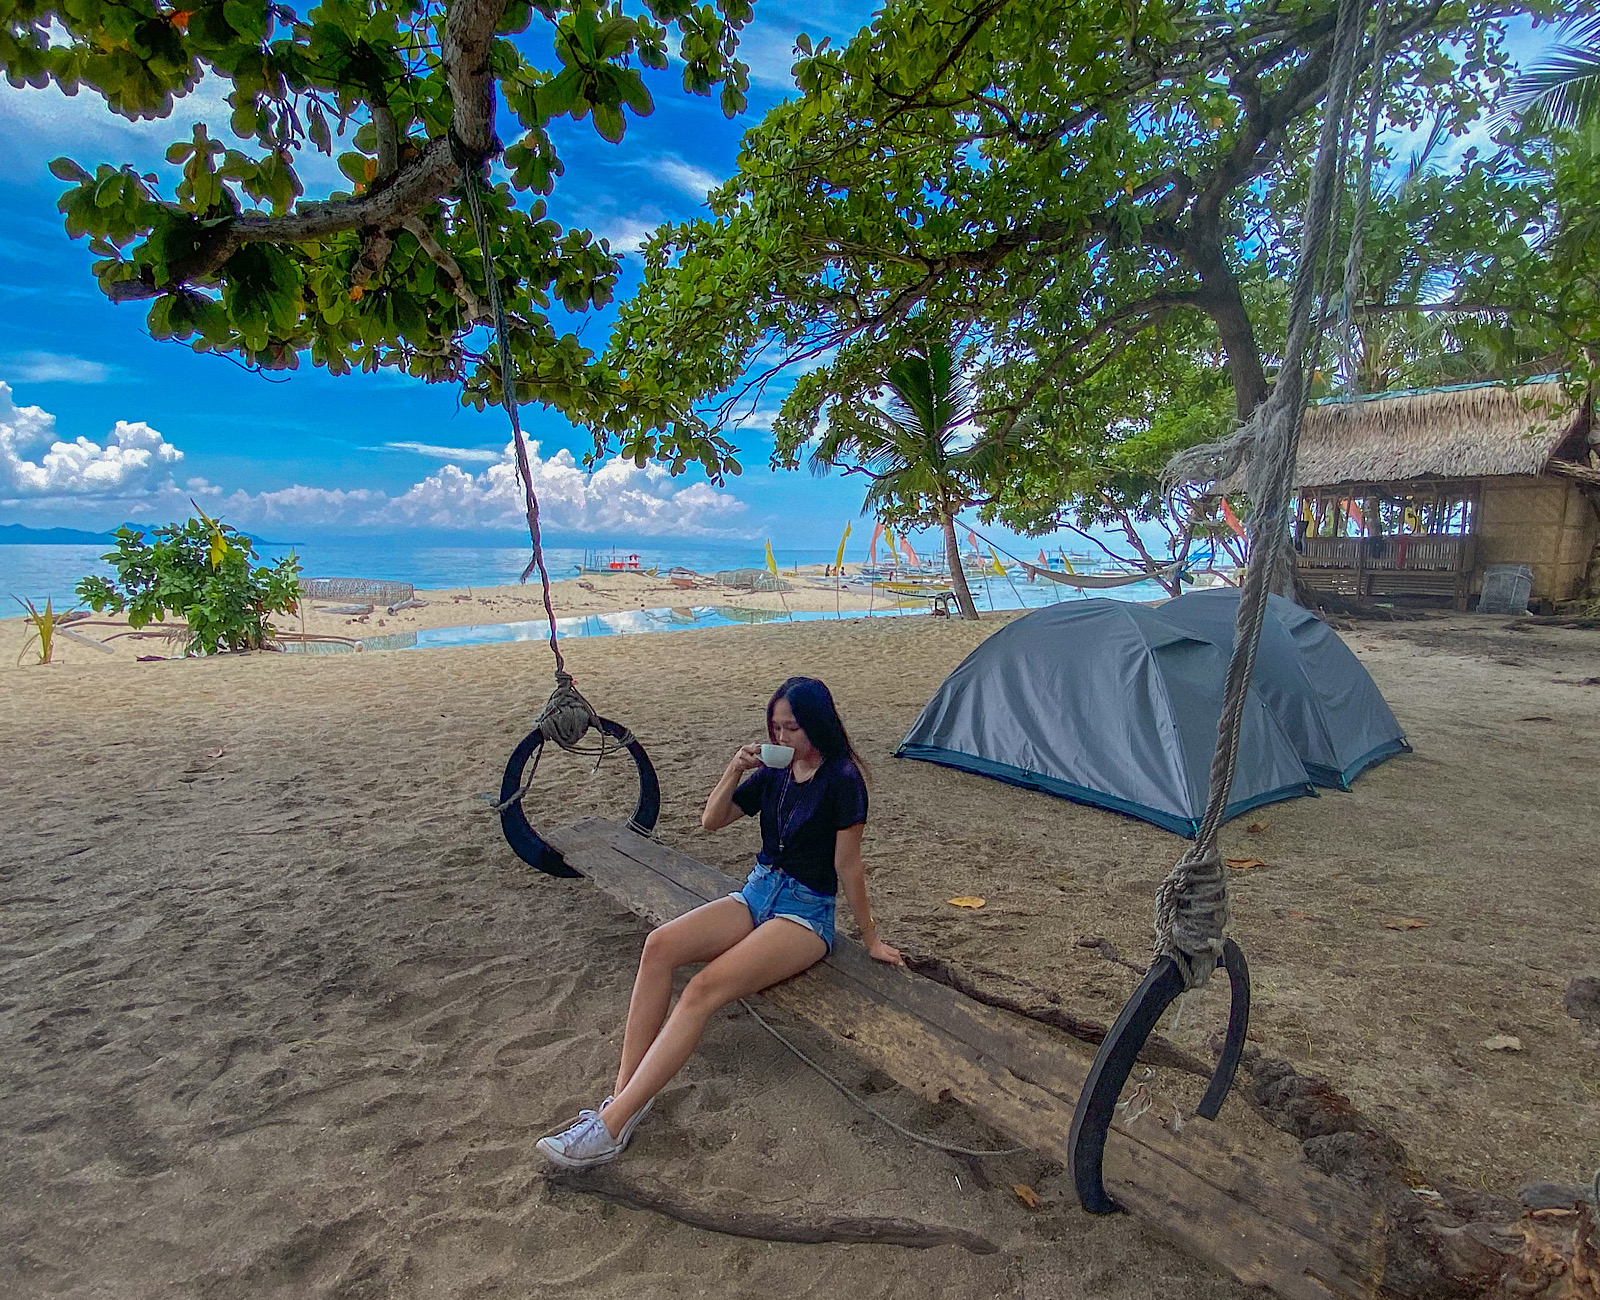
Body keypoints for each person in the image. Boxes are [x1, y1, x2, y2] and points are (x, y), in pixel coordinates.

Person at [536, 676, 902, 1169]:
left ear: (818, 724)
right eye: (774, 728)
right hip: (757, 891)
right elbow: (712, 821)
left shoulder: (843, 778)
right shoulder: (775, 769)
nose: (782, 738)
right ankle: (623, 1102)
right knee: (659, 946)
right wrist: (733, 769)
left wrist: (872, 939)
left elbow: (848, 865)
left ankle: (610, 1125)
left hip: (804, 911)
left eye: (792, 728)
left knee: (702, 989)